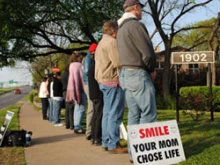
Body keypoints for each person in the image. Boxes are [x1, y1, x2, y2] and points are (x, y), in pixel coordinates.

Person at [116, 0, 157, 162]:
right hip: (138, 73)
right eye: (140, 8)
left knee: (134, 115)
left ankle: (134, 154)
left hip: (125, 74)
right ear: (135, 8)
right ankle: (145, 154)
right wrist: (151, 69)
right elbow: (147, 53)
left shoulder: (120, 29)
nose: (142, 12)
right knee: (148, 114)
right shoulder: (135, 26)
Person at [95, 20, 127, 154]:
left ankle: (106, 141)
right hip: (112, 81)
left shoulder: (101, 43)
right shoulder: (112, 42)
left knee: (107, 113)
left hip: (103, 81)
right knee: (114, 113)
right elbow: (118, 62)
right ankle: (113, 144)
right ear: (114, 31)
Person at [66, 51, 86, 134]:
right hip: (79, 89)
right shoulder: (79, 66)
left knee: (77, 108)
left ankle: (76, 125)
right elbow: (82, 77)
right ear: (79, 57)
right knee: (81, 108)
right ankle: (77, 126)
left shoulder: (71, 65)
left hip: (72, 89)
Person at [82, 43, 98, 140]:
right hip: (90, 84)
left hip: (87, 84)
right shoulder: (89, 59)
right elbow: (89, 72)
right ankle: (89, 131)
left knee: (92, 107)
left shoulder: (85, 59)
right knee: (92, 108)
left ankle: (91, 130)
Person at [88, 62, 103, 146]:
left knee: (95, 115)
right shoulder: (96, 67)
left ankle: (93, 136)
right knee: (98, 115)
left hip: (93, 94)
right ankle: (97, 137)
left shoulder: (91, 67)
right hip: (97, 93)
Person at [62, 65, 74, 130]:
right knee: (71, 108)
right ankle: (72, 124)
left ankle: (67, 124)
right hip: (69, 90)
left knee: (67, 108)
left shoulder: (63, 75)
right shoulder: (69, 75)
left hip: (64, 91)